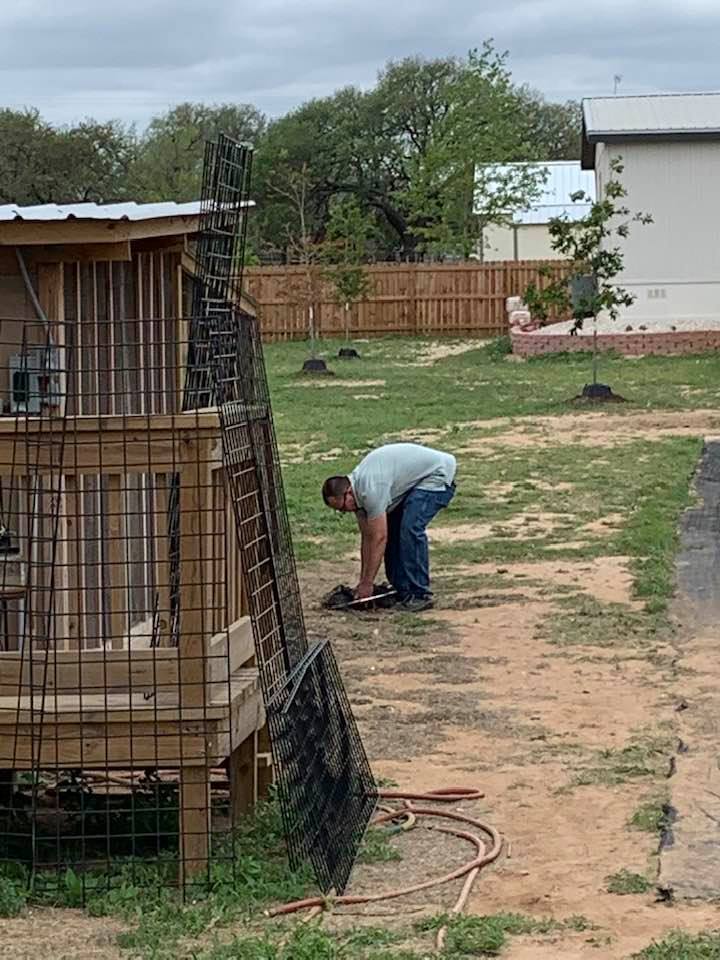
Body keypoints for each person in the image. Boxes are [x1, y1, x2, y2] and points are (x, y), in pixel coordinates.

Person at [322, 442, 456, 612]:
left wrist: (368, 584)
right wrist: (363, 582)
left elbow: (379, 538)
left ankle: (419, 594)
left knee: (409, 528)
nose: (344, 512)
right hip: (414, 481)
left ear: (348, 492)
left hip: (437, 474)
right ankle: (402, 590)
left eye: (342, 507)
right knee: (392, 530)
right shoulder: (358, 500)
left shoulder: (370, 489)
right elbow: (368, 539)